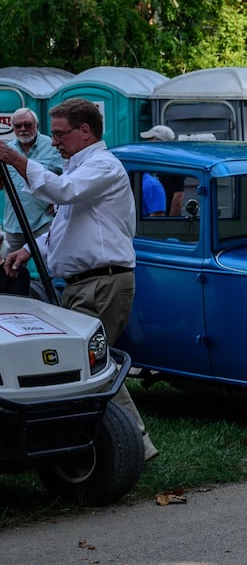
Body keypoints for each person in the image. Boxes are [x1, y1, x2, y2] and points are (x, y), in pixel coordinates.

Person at [0, 98, 158, 460]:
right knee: (92, 365)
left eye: (59, 134)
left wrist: (15, 158)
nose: (53, 141)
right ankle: (118, 442)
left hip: (102, 282)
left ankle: (125, 444)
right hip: (87, 282)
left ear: (85, 132)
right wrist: (28, 249)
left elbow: (62, 193)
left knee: (91, 366)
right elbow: (66, 222)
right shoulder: (80, 166)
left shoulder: (103, 166)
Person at [2, 107, 63, 253]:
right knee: (8, 269)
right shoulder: (6, 151)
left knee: (50, 268)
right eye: (18, 126)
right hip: (14, 223)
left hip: (43, 221)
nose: (23, 129)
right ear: (13, 128)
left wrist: (58, 201)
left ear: (37, 126)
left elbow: (69, 175)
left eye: (28, 125)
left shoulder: (52, 147)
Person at [137, 124, 176, 218]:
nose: (147, 142)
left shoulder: (172, 165)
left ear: (158, 141)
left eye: (150, 139)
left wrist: (172, 224)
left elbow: (178, 196)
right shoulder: (153, 161)